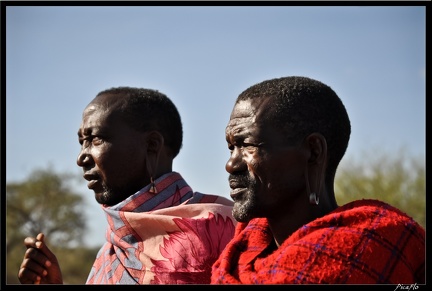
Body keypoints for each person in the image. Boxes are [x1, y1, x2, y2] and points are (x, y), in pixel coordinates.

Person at [211, 76, 425, 284]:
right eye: (231, 148)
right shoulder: (237, 257)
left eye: (248, 145)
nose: (231, 165)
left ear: (313, 151)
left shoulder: (379, 245)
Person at [18, 87, 236, 284]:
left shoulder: (224, 228)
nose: (81, 158)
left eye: (95, 139)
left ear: (151, 146)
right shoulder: (112, 249)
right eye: (81, 142)